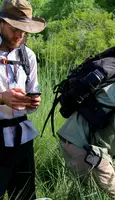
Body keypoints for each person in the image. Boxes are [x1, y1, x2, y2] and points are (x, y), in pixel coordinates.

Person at [0, 0, 46, 199]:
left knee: (25, 195)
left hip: (22, 137)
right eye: (14, 29)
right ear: (1, 23)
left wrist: (33, 102)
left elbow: (32, 91)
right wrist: (2, 99)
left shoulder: (28, 56)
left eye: (24, 30)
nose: (20, 35)